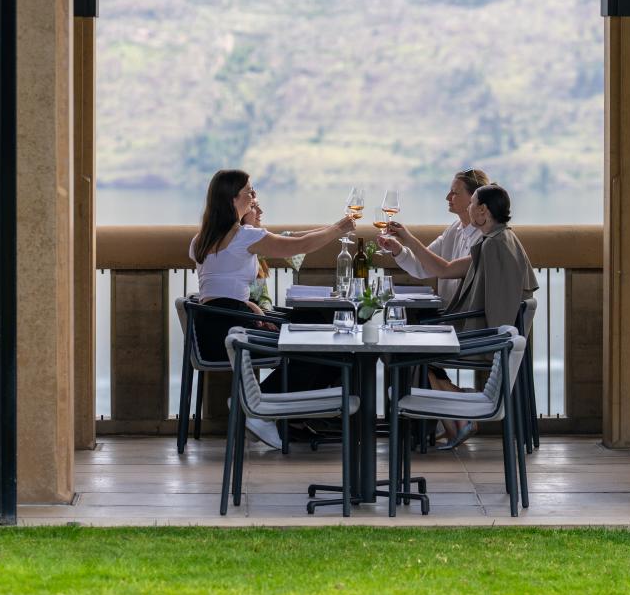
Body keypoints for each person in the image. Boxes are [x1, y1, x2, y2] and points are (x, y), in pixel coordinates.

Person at [189, 169, 357, 448]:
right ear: (232, 199)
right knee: (321, 344)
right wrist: (339, 228)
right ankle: (260, 409)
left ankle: (275, 413)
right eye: (249, 192)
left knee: (312, 324)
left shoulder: (200, 240)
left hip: (211, 329)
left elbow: (217, 290)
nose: (254, 196)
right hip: (234, 330)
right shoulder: (244, 236)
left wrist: (251, 306)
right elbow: (298, 246)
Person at [386, 183, 538, 448]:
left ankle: (449, 418)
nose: (468, 210)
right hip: (495, 334)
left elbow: (496, 312)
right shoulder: (500, 239)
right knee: (412, 346)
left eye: (471, 204)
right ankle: (451, 416)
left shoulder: (493, 245)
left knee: (406, 351)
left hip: (488, 338)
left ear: (483, 211)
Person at [379, 169, 490, 307]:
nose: (448, 197)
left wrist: (409, 238)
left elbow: (445, 270)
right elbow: (421, 266)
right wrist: (398, 250)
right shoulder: (454, 230)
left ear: (474, 198)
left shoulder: (485, 238)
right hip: (445, 313)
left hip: (460, 317)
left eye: (454, 193)